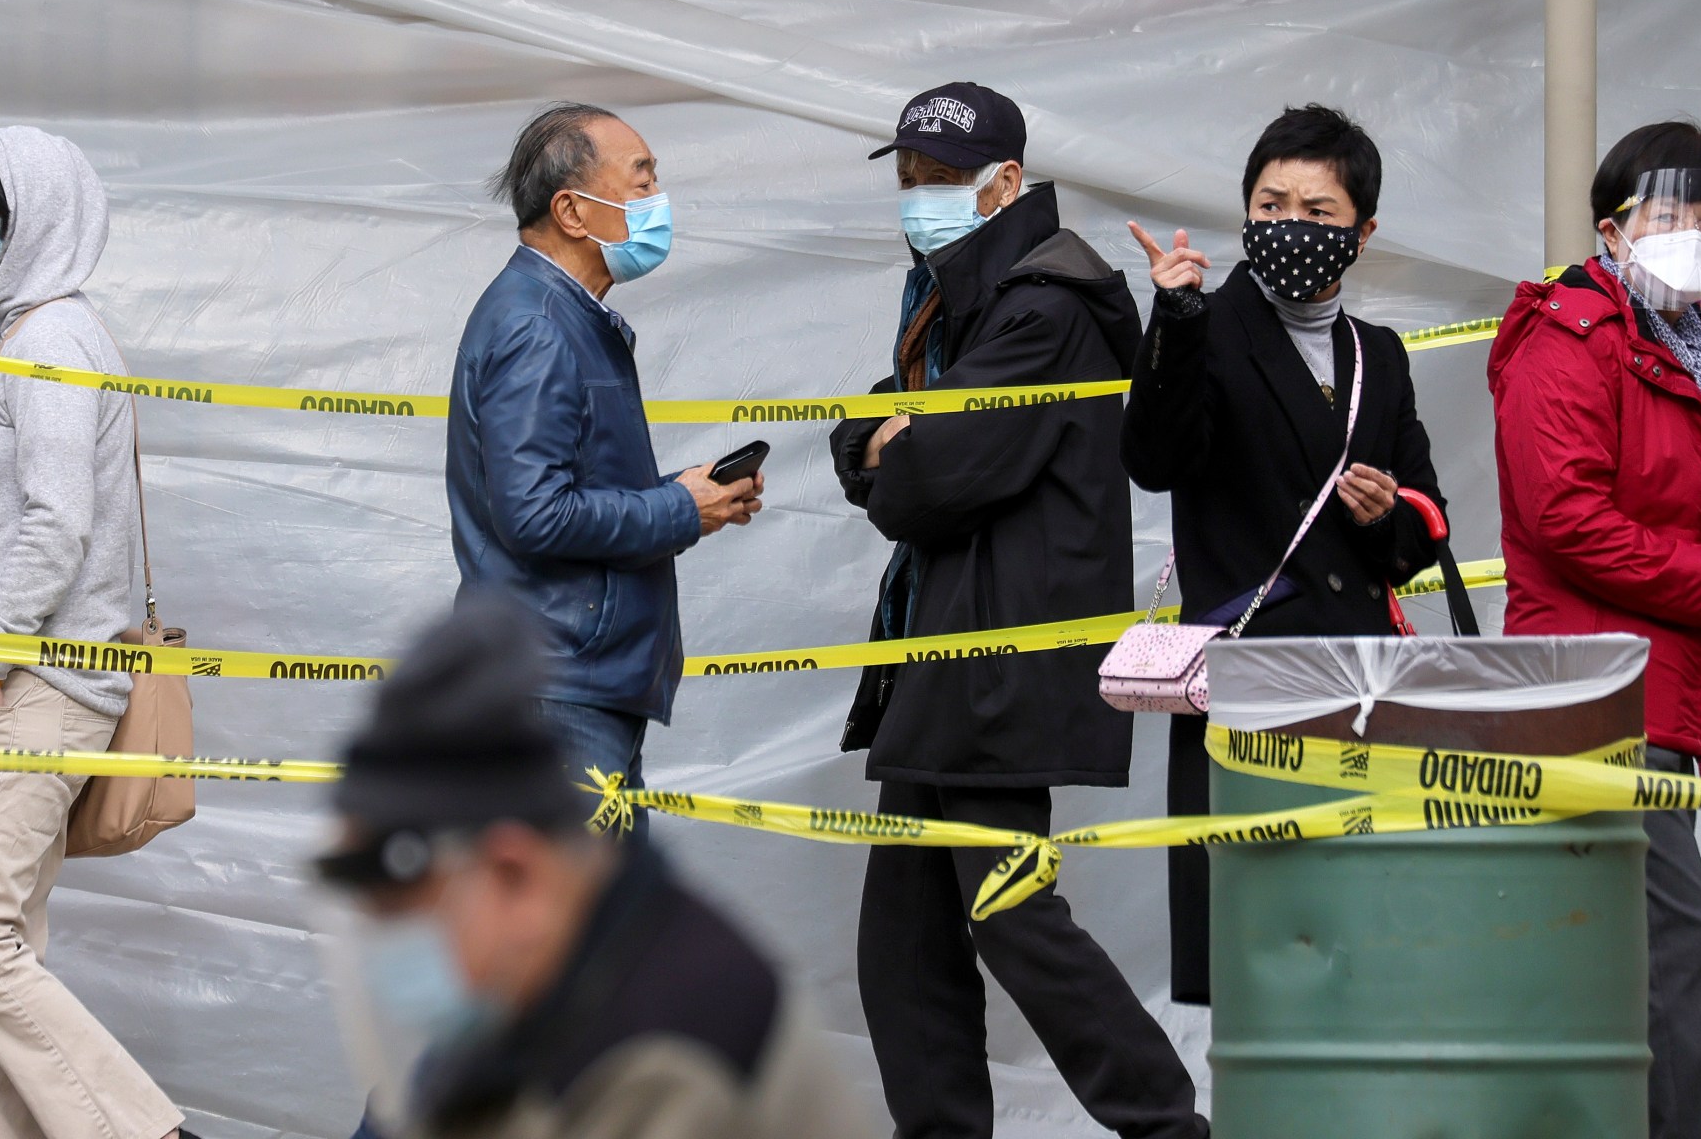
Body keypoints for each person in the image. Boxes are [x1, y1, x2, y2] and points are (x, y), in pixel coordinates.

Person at [828, 82, 1207, 1138]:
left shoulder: (1040, 309)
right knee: (903, 949)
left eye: (939, 180)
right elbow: (881, 439)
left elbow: (925, 480)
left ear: (1005, 184)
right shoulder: (975, 296)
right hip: (949, 651)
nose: (917, 197)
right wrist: (877, 438)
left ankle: (1171, 1128)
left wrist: (883, 446)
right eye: (906, 176)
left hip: (993, 658)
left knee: (1014, 921)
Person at [311, 597, 871, 1139]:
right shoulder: (546, 991)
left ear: (515, 874)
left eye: (404, 917)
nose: (396, 958)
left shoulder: (665, 1062)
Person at [1487, 120, 1701, 1139]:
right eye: (1670, 213)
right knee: (1672, 960)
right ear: (1610, 228)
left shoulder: (1679, 342)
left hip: (1644, 690)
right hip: (1593, 693)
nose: (1695, 235)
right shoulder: (1574, 336)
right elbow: (1564, 516)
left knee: (1615, 965)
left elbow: (1681, 500)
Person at [1120, 103, 1449, 1006]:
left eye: (1318, 213)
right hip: (1247, 685)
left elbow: (1425, 531)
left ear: (1363, 232)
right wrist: (1175, 319)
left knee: (1360, 954)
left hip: (1359, 686)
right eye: (1270, 207)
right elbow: (1152, 461)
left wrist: (1387, 516)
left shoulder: (1378, 355)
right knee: (1259, 961)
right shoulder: (1207, 325)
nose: (1289, 228)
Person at [0, 129, 190, 1139]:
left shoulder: (49, 342)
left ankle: (143, 1131)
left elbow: (59, 521)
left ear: (40, 215)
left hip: (29, 687)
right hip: (25, 683)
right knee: (6, 951)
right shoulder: (31, 337)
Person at [447, 104, 762, 834]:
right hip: (557, 687)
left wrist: (692, 496)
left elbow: (558, 493)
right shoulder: (538, 328)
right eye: (642, 179)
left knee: (600, 935)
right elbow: (533, 513)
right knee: (579, 938)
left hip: (570, 680)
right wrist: (680, 510)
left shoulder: (563, 317)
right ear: (571, 210)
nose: (658, 202)